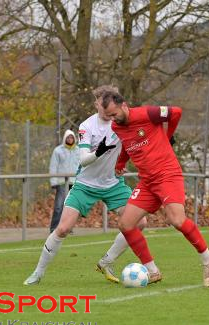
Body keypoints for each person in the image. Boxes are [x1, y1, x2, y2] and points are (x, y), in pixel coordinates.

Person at [24, 85, 147, 285]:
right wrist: (99, 152)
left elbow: (133, 145)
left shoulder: (122, 120)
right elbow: (82, 160)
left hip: (113, 184)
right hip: (86, 184)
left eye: (112, 104)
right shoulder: (87, 126)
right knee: (63, 228)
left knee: (139, 223)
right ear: (97, 104)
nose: (108, 110)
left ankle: (107, 261)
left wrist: (122, 164)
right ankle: (37, 273)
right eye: (103, 104)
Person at [101, 90, 209, 287]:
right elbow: (128, 145)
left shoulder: (147, 114)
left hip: (167, 174)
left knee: (176, 220)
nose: (113, 119)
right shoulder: (117, 127)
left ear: (123, 105)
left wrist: (167, 135)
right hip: (147, 182)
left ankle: (207, 259)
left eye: (114, 114)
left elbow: (176, 112)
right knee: (126, 224)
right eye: (109, 116)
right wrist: (120, 164)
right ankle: (153, 271)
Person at [48, 129, 80, 232]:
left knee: (71, 207)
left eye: (71, 137)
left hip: (73, 182)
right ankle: (54, 227)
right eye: (68, 137)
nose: (70, 139)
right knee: (59, 206)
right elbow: (53, 166)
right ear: (65, 138)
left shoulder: (78, 150)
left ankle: (67, 227)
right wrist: (54, 182)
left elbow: (81, 166)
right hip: (62, 182)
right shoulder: (58, 150)